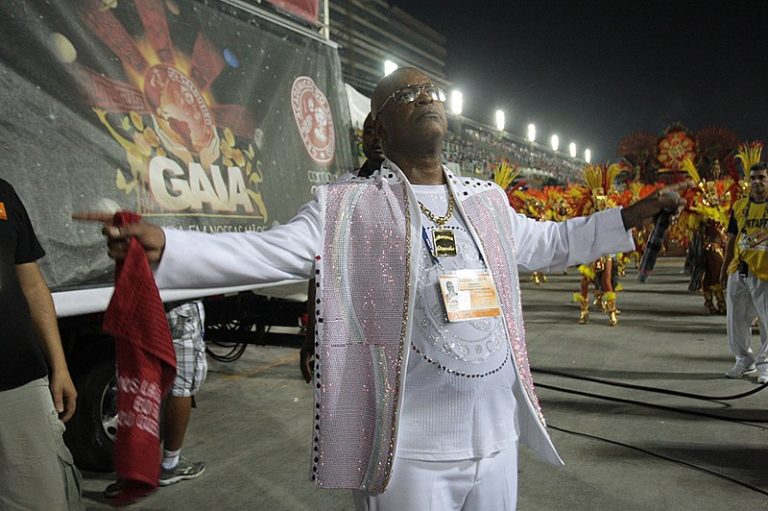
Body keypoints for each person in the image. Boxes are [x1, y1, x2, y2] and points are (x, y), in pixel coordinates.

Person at [77, 67, 683, 511]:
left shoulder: (487, 201)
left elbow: (555, 243)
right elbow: (268, 250)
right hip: (410, 449)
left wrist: (637, 212)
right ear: (378, 126)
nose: (426, 99)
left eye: (433, 93)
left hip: (495, 437)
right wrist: (172, 248)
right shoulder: (349, 206)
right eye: (408, 95)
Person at [0, 178, 83, 510]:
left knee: (45, 500)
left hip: (18, 382)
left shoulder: (4, 193)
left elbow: (32, 285)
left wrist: (59, 366)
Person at [300, 112, 384, 383]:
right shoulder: (338, 192)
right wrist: (312, 332)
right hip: (351, 331)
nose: (376, 138)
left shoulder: (419, 195)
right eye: (370, 130)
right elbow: (319, 268)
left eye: (383, 130)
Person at [105, 299, 207, 496]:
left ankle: (135, 470)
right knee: (181, 387)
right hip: (176, 307)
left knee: (139, 385)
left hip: (135, 306)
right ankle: (170, 463)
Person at [720, 162, 768, 382]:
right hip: (739, 271)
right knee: (736, 319)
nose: (757, 182)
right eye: (753, 178)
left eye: (762, 178)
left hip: (765, 273)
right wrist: (724, 267)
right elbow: (731, 239)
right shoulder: (740, 206)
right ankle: (744, 360)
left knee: (767, 321)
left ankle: (766, 366)